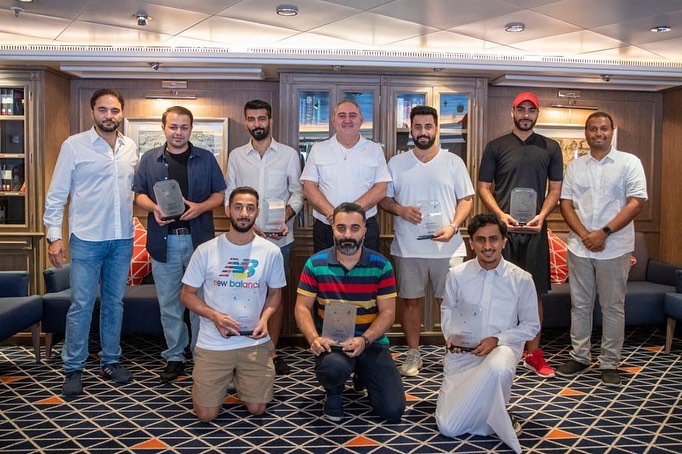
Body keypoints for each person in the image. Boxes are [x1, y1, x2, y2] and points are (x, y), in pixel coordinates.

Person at [44, 89, 138, 396]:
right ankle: (73, 367)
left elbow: (134, 192)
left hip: (122, 239)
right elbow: (57, 194)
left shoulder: (130, 147)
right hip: (86, 239)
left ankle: (110, 360)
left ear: (121, 113)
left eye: (114, 110)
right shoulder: (74, 146)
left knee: (114, 303)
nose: (109, 115)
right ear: (92, 112)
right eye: (103, 110)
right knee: (81, 304)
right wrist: (54, 236)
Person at [133, 105, 226, 383]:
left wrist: (200, 207)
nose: (178, 132)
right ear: (163, 128)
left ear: (191, 129)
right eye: (173, 127)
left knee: (201, 303)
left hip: (200, 242)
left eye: (184, 127)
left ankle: (201, 354)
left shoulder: (206, 158)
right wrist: (153, 208)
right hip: (164, 242)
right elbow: (138, 194)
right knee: (170, 304)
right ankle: (175, 356)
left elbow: (220, 195)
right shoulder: (149, 159)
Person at [379, 105, 474, 377]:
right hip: (409, 247)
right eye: (418, 127)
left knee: (451, 304)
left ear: (436, 129)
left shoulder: (453, 162)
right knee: (411, 302)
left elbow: (466, 199)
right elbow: (384, 199)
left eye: (428, 126)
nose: (423, 132)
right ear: (411, 129)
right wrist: (401, 210)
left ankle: (453, 351)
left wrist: (453, 226)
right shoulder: (397, 163)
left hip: (448, 247)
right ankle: (413, 352)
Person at [435, 214, 540, 454]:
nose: (487, 246)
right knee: (448, 427)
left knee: (498, 367)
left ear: (504, 241)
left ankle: (498, 413)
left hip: (501, 350)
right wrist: (452, 337)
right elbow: (447, 309)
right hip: (463, 354)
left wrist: (497, 340)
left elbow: (531, 325)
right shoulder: (457, 275)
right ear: (472, 243)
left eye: (493, 239)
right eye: (480, 240)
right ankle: (494, 413)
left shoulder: (521, 279)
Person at [557, 112, 647, 387]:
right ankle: (580, 356)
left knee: (613, 307)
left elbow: (636, 202)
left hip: (615, 247)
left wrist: (604, 232)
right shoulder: (575, 167)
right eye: (593, 129)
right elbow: (566, 204)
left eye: (604, 128)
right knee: (580, 306)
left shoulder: (629, 162)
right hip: (580, 247)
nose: (598, 133)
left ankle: (609, 362)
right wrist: (586, 235)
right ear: (586, 133)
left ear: (612, 131)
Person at [180, 186, 286, 422]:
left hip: (254, 341)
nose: (244, 213)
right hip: (214, 342)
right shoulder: (206, 250)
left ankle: (239, 378)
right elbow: (187, 295)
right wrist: (214, 316)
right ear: (228, 210)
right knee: (206, 415)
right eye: (238, 207)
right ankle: (222, 377)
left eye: (250, 208)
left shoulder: (270, 252)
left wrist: (265, 320)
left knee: (257, 408)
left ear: (257, 212)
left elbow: (275, 294)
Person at [477, 91, 563, 378]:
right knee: (500, 292)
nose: (526, 114)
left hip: (535, 230)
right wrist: (500, 215)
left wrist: (543, 215)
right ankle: (500, 349)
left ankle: (533, 354)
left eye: (531, 110)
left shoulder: (551, 147)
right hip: (503, 233)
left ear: (537, 114)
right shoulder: (495, 146)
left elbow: (555, 189)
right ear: (512, 112)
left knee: (533, 294)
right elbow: (483, 187)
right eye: (521, 109)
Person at [294, 202, 405, 423]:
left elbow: (388, 314)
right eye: (341, 228)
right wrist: (314, 338)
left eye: (354, 228)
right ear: (332, 229)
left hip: (370, 342)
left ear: (364, 231)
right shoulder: (315, 263)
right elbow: (302, 307)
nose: (347, 235)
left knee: (393, 411)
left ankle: (362, 372)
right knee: (333, 367)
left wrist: (365, 339)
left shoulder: (381, 265)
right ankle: (334, 393)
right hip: (332, 343)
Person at [226, 99, 304, 375]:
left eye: (261, 118)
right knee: (243, 295)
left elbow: (298, 193)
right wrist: (248, 225)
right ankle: (244, 351)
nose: (256, 124)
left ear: (270, 120)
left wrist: (286, 217)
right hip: (244, 241)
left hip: (279, 241)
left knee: (275, 296)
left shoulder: (288, 154)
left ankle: (271, 350)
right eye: (251, 119)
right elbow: (229, 195)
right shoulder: (236, 156)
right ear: (246, 122)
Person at [301, 99, 391, 253]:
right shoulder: (318, 149)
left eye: (352, 116)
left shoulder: (375, 149)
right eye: (342, 116)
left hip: (364, 227)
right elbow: (309, 187)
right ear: (333, 121)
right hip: (326, 227)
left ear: (361, 120)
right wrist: (334, 215)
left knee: (365, 268)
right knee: (325, 268)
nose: (347, 120)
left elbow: (381, 188)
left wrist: (351, 215)